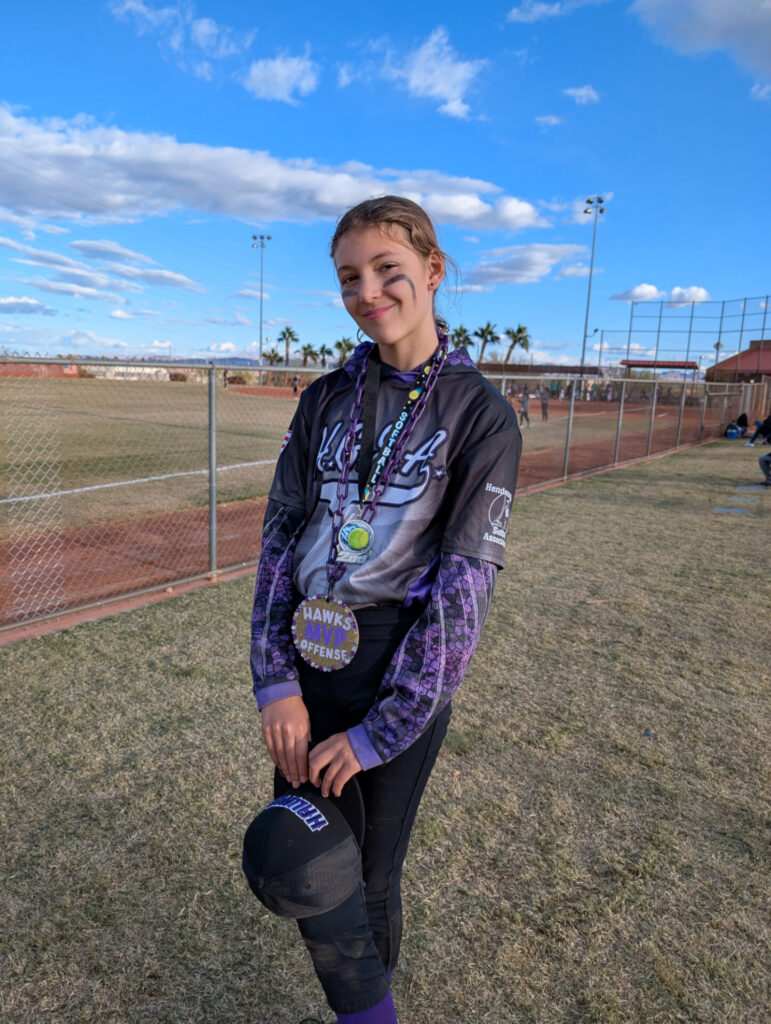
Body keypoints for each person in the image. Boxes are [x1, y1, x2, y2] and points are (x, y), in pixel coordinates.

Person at [248, 195, 521, 1024]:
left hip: (393, 676)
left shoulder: (480, 414)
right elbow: (277, 539)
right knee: (298, 857)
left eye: (386, 271)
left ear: (432, 273)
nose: (367, 292)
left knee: (358, 878)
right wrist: (274, 680)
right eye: (348, 278)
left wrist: (381, 730)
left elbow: (464, 588)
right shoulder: (324, 398)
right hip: (306, 667)